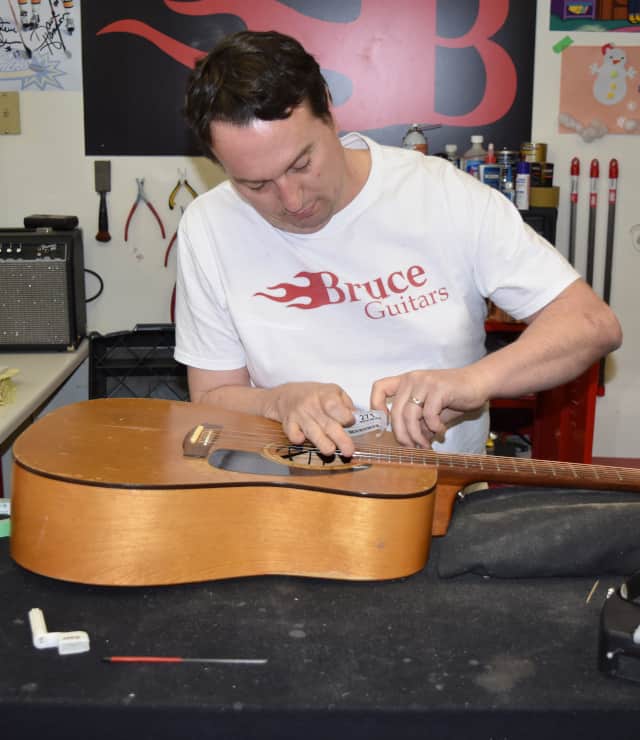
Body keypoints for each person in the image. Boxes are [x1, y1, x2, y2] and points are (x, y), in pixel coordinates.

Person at [174, 30, 622, 459]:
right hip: (290, 487)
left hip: (442, 492)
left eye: (302, 164)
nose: (292, 201)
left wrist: (474, 381)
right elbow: (212, 396)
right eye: (255, 185)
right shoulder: (210, 226)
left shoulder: (439, 194)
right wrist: (276, 403)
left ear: (329, 114)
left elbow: (590, 323)